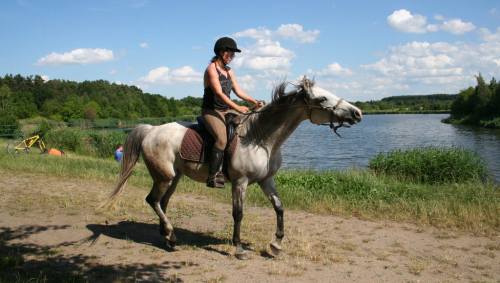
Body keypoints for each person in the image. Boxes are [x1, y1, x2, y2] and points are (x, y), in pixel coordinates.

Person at [201, 37, 264, 188]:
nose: (232, 57)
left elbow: (238, 90)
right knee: (222, 139)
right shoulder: (211, 69)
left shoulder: (229, 71)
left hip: (226, 110)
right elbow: (219, 94)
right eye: (230, 54)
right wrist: (237, 108)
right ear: (221, 52)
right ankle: (213, 177)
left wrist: (253, 101)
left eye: (233, 55)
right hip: (211, 111)